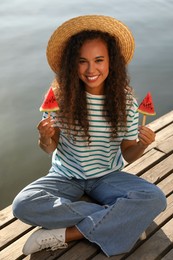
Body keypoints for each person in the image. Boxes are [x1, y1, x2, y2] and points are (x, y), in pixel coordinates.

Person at [12, 15, 167, 257]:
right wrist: (44, 137)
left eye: (99, 60)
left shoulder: (125, 102)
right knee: (23, 204)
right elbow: (49, 148)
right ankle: (119, 219)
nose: (91, 69)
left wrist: (143, 145)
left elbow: (128, 154)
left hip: (106, 176)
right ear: (72, 64)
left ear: (111, 62)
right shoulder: (59, 98)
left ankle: (67, 234)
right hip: (65, 176)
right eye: (82, 61)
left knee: (155, 198)